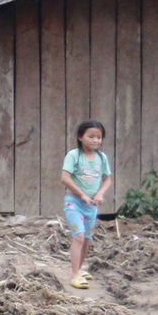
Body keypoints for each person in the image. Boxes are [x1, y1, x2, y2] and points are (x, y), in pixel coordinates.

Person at [61, 119, 112, 289]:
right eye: (91, 136)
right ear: (80, 137)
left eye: (99, 137)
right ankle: (74, 275)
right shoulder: (73, 156)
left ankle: (79, 269)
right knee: (79, 236)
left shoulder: (102, 158)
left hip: (91, 206)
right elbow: (65, 178)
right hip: (74, 202)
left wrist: (100, 193)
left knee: (87, 239)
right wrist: (81, 194)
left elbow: (107, 179)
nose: (95, 140)